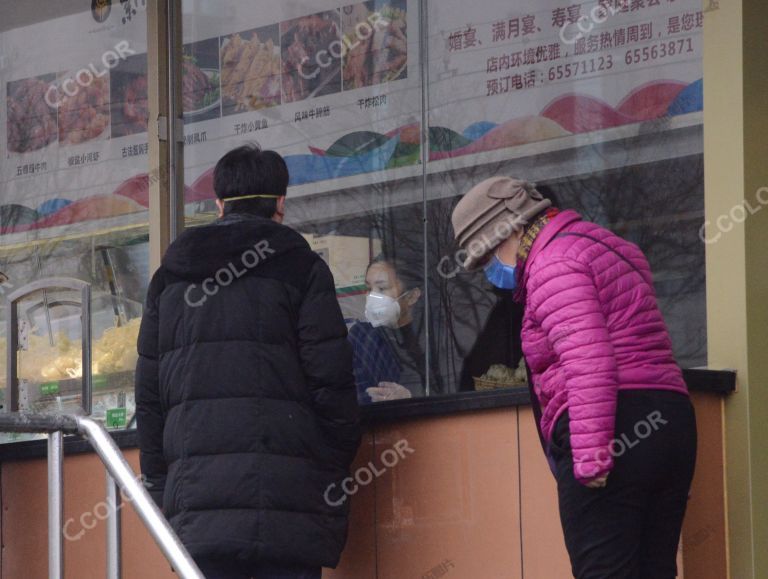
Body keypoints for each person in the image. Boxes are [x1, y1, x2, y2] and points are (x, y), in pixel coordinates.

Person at [451, 176, 697, 579]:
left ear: (508, 229)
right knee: (655, 569)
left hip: (614, 425)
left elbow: (587, 359)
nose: (491, 268)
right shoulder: (609, 246)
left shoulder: (552, 263)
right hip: (670, 421)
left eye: (488, 253)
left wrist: (591, 457)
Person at [135, 144, 361, 579]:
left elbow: (149, 401)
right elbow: (333, 386)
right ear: (280, 202)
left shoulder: (170, 279)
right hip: (289, 509)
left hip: (198, 513)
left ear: (218, 203)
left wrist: (166, 491)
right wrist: (324, 470)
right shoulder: (302, 269)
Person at [348, 257, 438, 403]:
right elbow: (349, 392)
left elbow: (448, 387)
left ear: (412, 296)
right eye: (369, 289)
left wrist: (411, 398)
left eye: (382, 288)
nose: (372, 297)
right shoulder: (361, 337)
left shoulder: (432, 337)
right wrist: (370, 398)